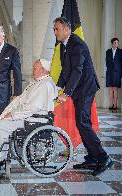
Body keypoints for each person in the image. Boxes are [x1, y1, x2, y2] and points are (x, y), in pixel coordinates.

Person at [0, 59, 57, 173]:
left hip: (34, 120)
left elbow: (32, 107)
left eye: (35, 68)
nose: (32, 70)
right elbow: (23, 100)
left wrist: (13, 114)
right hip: (29, 117)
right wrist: (10, 110)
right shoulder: (39, 82)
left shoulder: (45, 84)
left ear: (43, 70)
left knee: (1, 126)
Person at [53, 17, 113, 176]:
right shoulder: (64, 45)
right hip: (79, 88)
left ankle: (103, 157)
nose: (55, 32)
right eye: (54, 29)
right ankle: (92, 157)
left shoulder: (77, 44)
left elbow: (77, 71)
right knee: (82, 123)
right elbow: (66, 70)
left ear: (67, 29)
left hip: (86, 88)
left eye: (57, 29)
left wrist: (66, 93)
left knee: (83, 122)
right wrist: (56, 87)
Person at [106, 37, 122, 110]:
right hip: (109, 72)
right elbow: (106, 62)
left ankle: (115, 105)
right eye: (115, 43)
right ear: (112, 43)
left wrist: (121, 74)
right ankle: (111, 104)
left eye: (117, 43)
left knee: (115, 89)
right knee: (110, 89)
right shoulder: (108, 51)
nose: (116, 44)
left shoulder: (120, 51)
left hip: (117, 73)